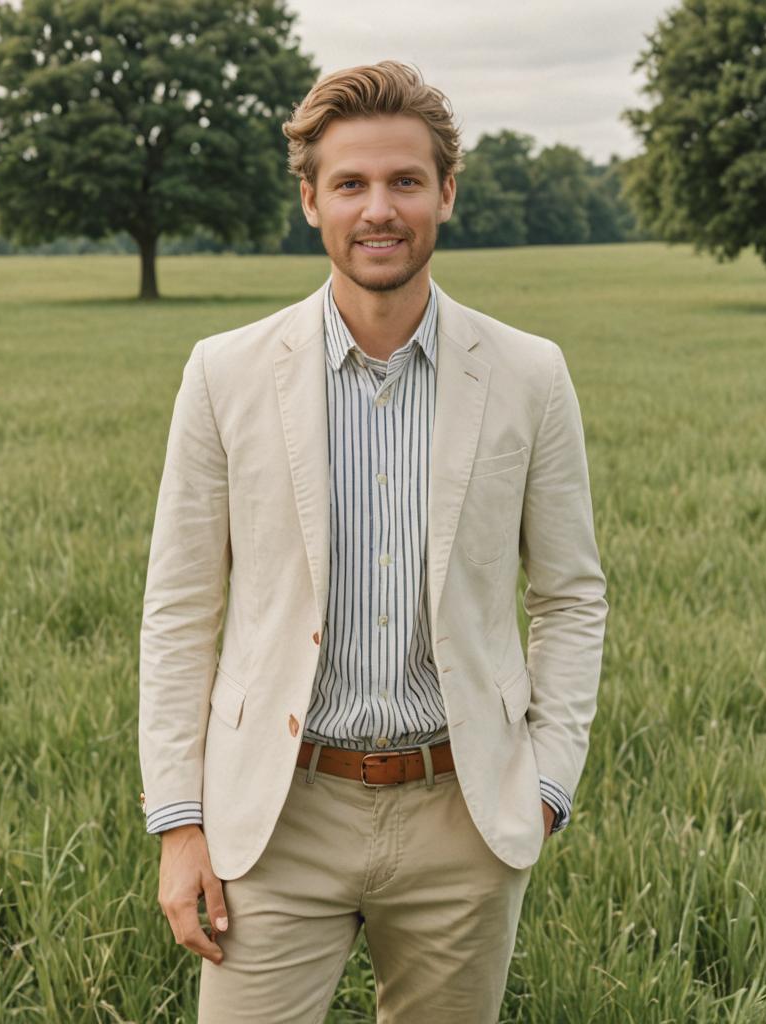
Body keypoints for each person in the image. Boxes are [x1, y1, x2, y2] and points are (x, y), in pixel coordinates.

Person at [138, 60, 608, 1023]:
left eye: (403, 181)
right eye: (350, 184)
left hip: (462, 812)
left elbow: (571, 594)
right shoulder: (223, 374)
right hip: (275, 817)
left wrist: (548, 781)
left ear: (446, 191)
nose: (378, 209)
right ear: (311, 200)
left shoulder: (528, 373)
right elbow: (181, 609)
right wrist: (179, 824)